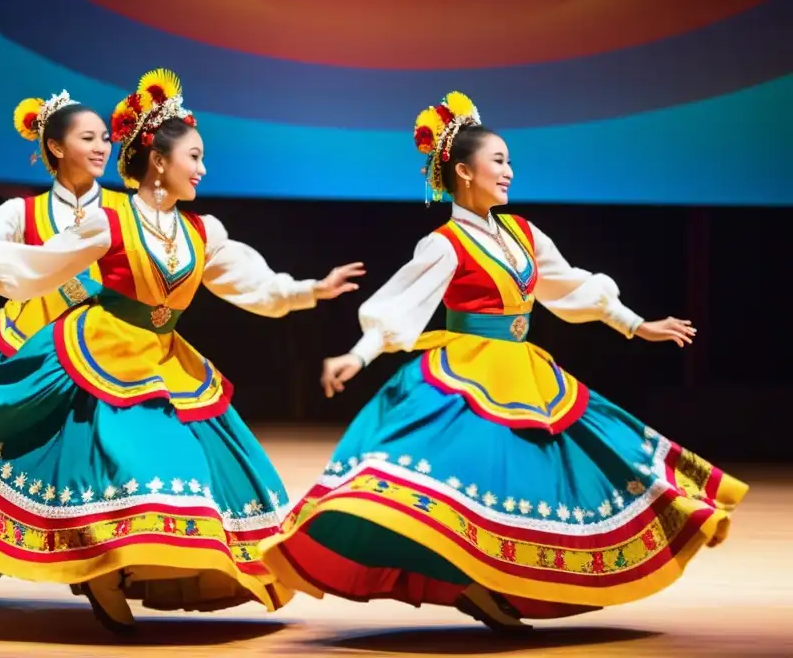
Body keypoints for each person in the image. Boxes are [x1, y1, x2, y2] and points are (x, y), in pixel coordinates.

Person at [0, 69, 365, 633]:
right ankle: (101, 568)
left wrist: (308, 291)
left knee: (185, 469)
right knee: (121, 460)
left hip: (165, 358)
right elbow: (40, 265)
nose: (202, 169)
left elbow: (252, 283)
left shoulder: (204, 230)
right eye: (194, 157)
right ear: (158, 162)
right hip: (99, 350)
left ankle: (135, 565)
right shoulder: (110, 219)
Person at [259, 91, 747, 631]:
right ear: (464, 172)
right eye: (499, 161)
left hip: (524, 369)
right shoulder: (444, 244)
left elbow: (571, 286)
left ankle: (498, 585)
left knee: (548, 474)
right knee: (470, 480)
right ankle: (474, 583)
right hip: (466, 372)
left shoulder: (523, 234)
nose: (509, 171)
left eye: (510, 161)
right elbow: (402, 307)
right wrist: (358, 354)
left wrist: (635, 324)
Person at [0, 91, 113, 383]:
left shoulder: (125, 211)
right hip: (27, 346)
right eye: (88, 138)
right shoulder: (21, 212)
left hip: (106, 351)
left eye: (105, 138)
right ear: (56, 146)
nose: (101, 147)